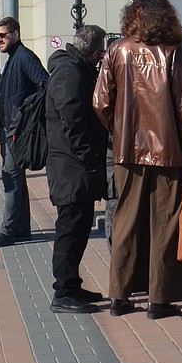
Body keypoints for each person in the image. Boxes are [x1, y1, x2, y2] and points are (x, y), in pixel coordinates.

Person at [93, 0, 182, 320]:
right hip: (169, 151)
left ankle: (119, 297)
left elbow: (100, 101)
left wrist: (119, 129)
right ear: (166, 18)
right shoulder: (173, 52)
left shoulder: (117, 50)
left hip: (127, 151)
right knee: (165, 224)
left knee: (125, 222)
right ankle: (159, 299)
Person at [45, 25, 109, 313]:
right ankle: (63, 292)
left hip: (75, 165)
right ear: (94, 52)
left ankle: (71, 284)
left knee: (80, 226)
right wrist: (88, 157)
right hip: (71, 167)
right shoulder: (70, 73)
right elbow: (73, 122)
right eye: (101, 51)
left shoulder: (76, 68)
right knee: (70, 228)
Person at [0, 16, 48, 248]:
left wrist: (26, 111)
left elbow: (45, 84)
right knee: (16, 177)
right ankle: (22, 227)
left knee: (10, 178)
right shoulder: (13, 59)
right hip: (9, 129)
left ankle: (7, 230)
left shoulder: (24, 56)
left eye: (3, 35)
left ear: (16, 34)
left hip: (18, 130)